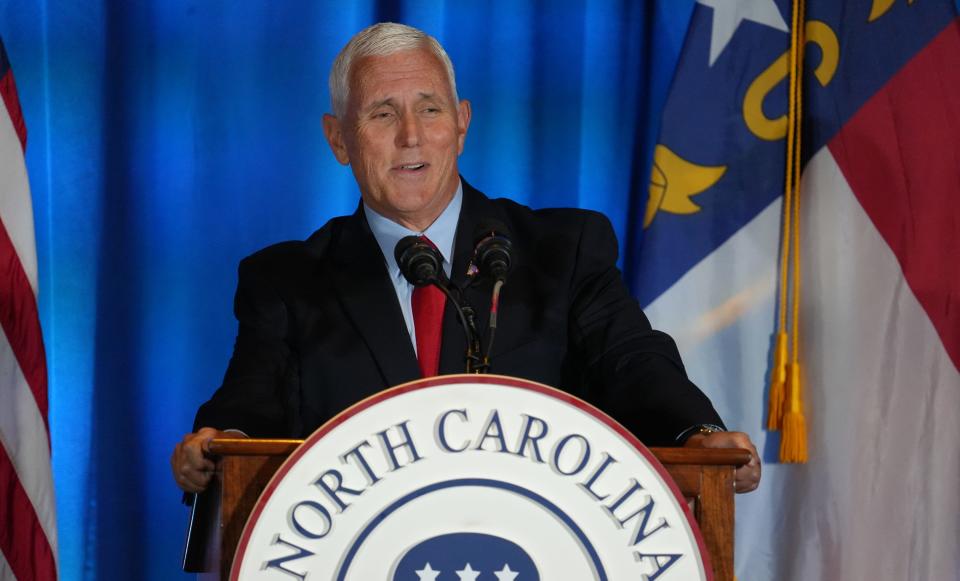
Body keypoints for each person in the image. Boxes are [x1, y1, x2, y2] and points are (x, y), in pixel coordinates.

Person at [171, 22, 760, 496]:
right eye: (381, 113)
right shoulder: (287, 281)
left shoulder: (563, 250)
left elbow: (633, 361)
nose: (411, 136)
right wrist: (221, 445)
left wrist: (698, 433)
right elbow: (252, 399)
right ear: (338, 140)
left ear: (462, 124)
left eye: (429, 109)